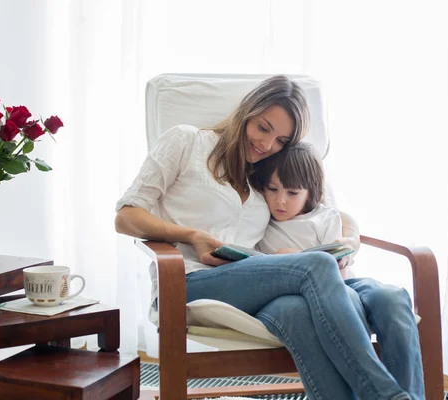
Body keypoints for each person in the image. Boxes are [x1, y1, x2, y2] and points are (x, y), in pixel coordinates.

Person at [115, 75, 424, 400]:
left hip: (258, 283)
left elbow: (325, 208)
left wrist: (351, 238)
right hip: (188, 280)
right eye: (263, 128)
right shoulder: (186, 142)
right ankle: (383, 394)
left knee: (301, 311)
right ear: (246, 112)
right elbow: (126, 216)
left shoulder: (264, 171)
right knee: (315, 265)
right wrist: (191, 235)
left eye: (280, 140)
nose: (266, 145)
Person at [250, 141, 350, 279]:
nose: (280, 200)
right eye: (272, 189)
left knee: (385, 294)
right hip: (288, 286)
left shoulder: (325, 217)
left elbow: (339, 270)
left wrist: (296, 255)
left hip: (334, 284)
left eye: (292, 193)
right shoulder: (262, 218)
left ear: (310, 193)